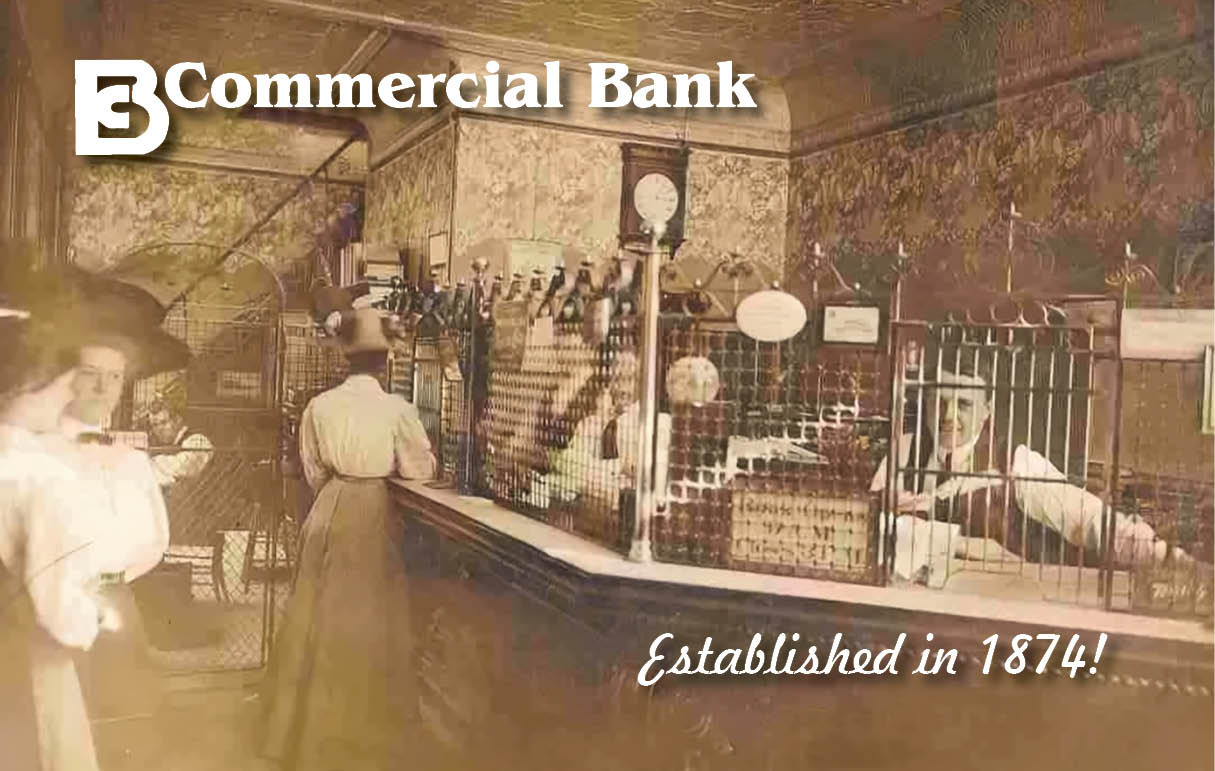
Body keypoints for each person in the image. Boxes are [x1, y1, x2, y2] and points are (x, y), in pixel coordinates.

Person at [261, 307, 436, 770]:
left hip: (329, 508)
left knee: (316, 620)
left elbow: (313, 468)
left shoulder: (321, 406)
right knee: (368, 624)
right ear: (386, 364)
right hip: (372, 511)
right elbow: (420, 470)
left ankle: (306, 738)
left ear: (347, 360)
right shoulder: (397, 408)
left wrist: (336, 492)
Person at [870, 358, 1189, 586]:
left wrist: (1163, 556)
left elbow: (1089, 521)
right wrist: (886, 512)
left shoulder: (1016, 464)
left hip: (997, 607)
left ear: (986, 412)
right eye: (939, 401)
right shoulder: (904, 449)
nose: (948, 416)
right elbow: (866, 527)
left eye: (964, 404)